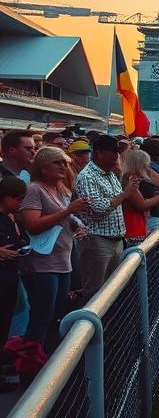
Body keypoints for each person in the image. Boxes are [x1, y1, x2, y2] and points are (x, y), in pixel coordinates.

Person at [19, 147, 88, 352]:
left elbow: (63, 218)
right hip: (42, 263)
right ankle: (31, 365)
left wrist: (77, 225)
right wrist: (68, 210)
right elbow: (32, 224)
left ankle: (50, 358)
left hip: (62, 260)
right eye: (57, 162)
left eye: (64, 162)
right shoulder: (34, 189)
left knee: (57, 313)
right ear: (42, 168)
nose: (63, 166)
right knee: (43, 315)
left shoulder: (61, 188)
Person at [73, 135, 134, 300]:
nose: (117, 156)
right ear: (99, 153)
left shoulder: (110, 174)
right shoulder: (87, 176)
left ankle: (109, 324)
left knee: (112, 289)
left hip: (115, 239)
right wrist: (125, 193)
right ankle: (91, 325)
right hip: (96, 240)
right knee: (95, 292)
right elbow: (99, 209)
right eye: (113, 152)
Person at [0, 176, 29, 389]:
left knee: (5, 323)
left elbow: (19, 241)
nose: (21, 204)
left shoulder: (11, 217)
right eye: (18, 199)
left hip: (10, 277)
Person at [120, 150, 159, 245]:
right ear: (139, 165)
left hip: (137, 230)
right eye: (147, 165)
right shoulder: (128, 180)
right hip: (133, 232)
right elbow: (142, 205)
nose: (149, 169)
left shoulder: (130, 179)